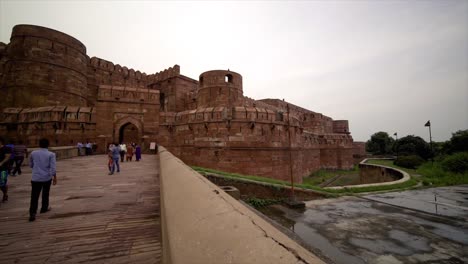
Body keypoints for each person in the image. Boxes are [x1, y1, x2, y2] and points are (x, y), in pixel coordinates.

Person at [29, 138, 57, 222]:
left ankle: (32, 213)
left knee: (34, 196)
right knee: (45, 193)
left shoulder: (33, 153)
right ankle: (44, 208)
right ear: (48, 145)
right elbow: (53, 168)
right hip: (46, 177)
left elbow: (31, 165)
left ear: (39, 144)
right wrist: (54, 177)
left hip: (36, 177)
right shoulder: (51, 154)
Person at [0, 137, 12, 202]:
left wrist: (1, 163)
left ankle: (5, 194)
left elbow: (7, 156)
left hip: (3, 169)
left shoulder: (6, 148)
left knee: (2, 183)